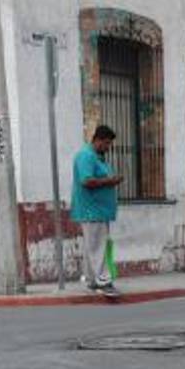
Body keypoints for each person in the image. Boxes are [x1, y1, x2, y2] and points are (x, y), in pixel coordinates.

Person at [72, 124, 124, 298]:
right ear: (98, 140)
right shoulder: (86, 156)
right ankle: (104, 281)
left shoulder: (97, 157)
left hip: (99, 210)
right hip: (92, 210)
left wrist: (111, 180)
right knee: (98, 247)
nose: (108, 147)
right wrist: (110, 181)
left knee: (92, 247)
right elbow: (86, 181)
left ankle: (92, 280)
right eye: (107, 143)